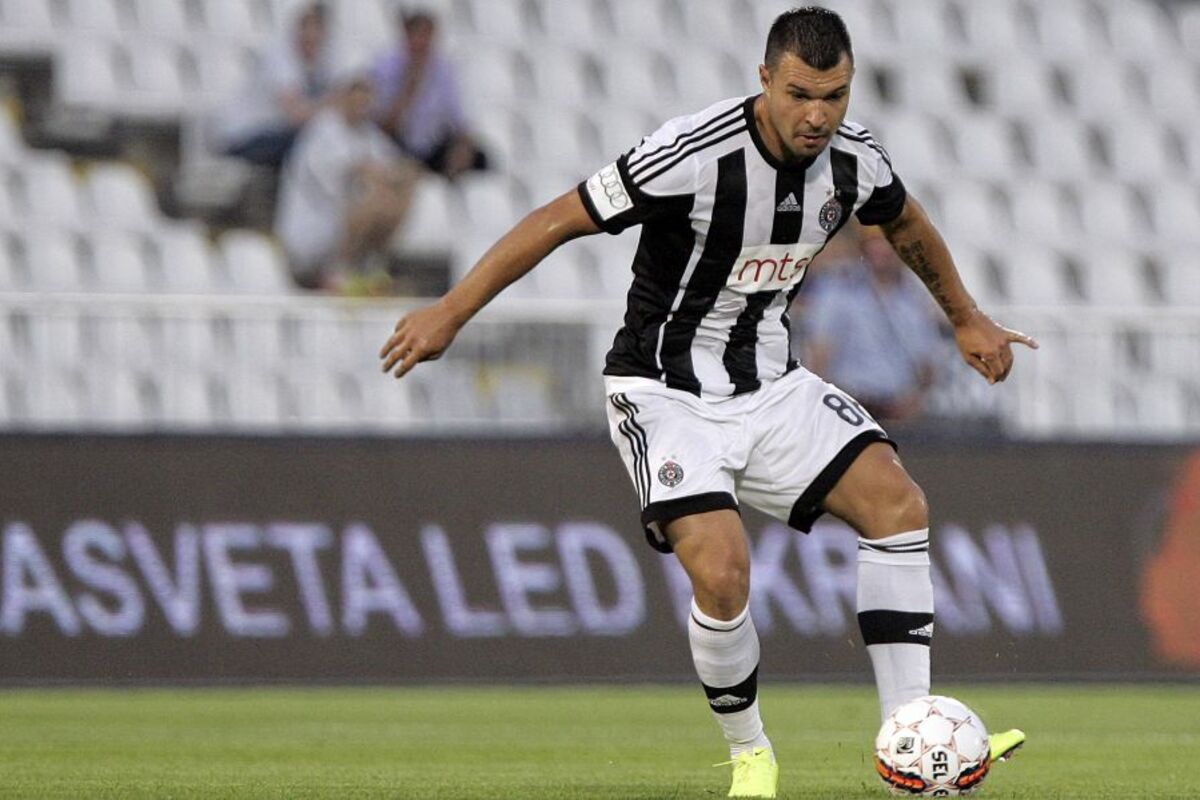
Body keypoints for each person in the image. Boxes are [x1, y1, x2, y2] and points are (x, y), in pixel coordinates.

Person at [378, 8, 1033, 798]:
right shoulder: (692, 153)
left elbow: (906, 222)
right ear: (765, 80)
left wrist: (964, 316)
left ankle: (910, 737)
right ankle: (751, 755)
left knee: (898, 504)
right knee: (722, 572)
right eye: (800, 94)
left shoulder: (854, 160)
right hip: (666, 394)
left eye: (834, 96)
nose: (818, 115)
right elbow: (557, 219)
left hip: (772, 385)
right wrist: (451, 311)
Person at [275, 66, 419, 291]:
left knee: (399, 190)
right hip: (312, 228)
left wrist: (401, 175)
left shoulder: (368, 133)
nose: (360, 103)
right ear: (343, 97)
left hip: (340, 224)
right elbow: (341, 175)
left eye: (365, 97)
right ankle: (339, 271)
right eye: (355, 96)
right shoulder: (322, 129)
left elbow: (394, 167)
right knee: (374, 199)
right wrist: (374, 174)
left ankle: (370, 267)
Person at [803, 226, 946, 422]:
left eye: (887, 243)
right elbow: (820, 352)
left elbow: (927, 363)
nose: (881, 250)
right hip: (850, 407)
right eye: (874, 242)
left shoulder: (913, 297)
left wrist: (915, 402)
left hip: (897, 411)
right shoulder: (839, 288)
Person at [371, 7, 487, 178]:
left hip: (433, 144)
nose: (423, 44)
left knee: (481, 159)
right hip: (396, 143)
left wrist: (463, 146)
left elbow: (458, 117)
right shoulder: (386, 66)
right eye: (418, 36)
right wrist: (409, 89)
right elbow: (382, 126)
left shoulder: (444, 68)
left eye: (427, 37)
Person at [217, 2, 334, 169]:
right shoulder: (279, 57)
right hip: (245, 137)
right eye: (307, 27)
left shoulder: (316, 65)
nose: (312, 35)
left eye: (317, 28)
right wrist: (335, 102)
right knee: (313, 143)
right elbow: (296, 115)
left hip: (271, 135)